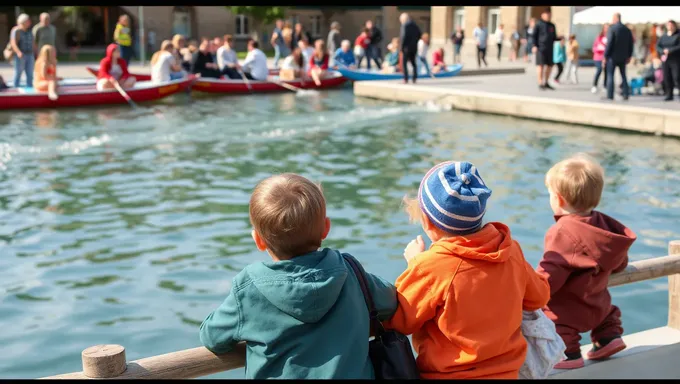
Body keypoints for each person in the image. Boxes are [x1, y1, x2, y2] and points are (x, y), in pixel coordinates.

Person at [199, 173, 398, 379]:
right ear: (326, 228)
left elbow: (212, 337)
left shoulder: (249, 289)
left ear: (259, 241)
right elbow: (390, 301)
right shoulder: (351, 272)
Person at [383, 161, 550, 379]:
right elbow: (539, 297)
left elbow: (398, 321)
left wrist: (416, 264)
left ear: (427, 222)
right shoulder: (510, 252)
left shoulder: (431, 267)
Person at [537, 154, 636, 370]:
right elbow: (619, 263)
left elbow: (551, 273)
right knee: (606, 313)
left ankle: (569, 353)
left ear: (559, 199)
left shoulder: (562, 231)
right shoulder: (605, 226)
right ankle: (608, 338)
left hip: (569, 310)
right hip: (598, 305)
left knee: (550, 319)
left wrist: (532, 285)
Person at [604, 12, 634, 101]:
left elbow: (609, 43)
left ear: (616, 19)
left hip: (612, 57)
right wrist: (629, 55)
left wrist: (605, 55)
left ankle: (610, 95)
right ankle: (625, 94)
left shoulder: (612, 29)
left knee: (610, 76)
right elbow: (631, 44)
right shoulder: (627, 30)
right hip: (623, 57)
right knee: (623, 76)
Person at [533, 8, 558, 90]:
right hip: (541, 48)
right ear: (543, 15)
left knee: (550, 66)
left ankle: (546, 82)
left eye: (550, 14)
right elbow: (534, 36)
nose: (548, 16)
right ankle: (540, 83)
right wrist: (534, 45)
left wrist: (560, 38)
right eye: (547, 14)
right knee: (541, 66)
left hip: (550, 48)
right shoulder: (539, 24)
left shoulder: (552, 25)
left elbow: (554, 37)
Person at [657, 19, 680, 101]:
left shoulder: (678, 35)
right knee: (667, 77)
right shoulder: (664, 36)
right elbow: (658, 46)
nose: (670, 27)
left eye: (671, 25)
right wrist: (662, 51)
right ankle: (669, 94)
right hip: (665, 60)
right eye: (668, 25)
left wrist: (670, 50)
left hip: (676, 59)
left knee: (676, 77)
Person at [9, 14, 34, 88]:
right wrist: (18, 52)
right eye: (28, 21)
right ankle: (15, 88)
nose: (29, 22)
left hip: (30, 54)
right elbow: (13, 43)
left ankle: (29, 87)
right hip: (20, 55)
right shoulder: (16, 30)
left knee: (30, 73)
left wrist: (36, 52)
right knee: (18, 72)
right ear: (23, 22)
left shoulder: (30, 31)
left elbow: (33, 42)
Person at [399, 13, 422, 84]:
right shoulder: (415, 25)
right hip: (414, 47)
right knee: (413, 63)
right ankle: (414, 78)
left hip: (406, 47)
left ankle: (406, 79)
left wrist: (401, 47)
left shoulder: (405, 25)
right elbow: (419, 34)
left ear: (403, 19)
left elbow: (403, 37)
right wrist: (415, 42)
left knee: (404, 63)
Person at [591, 24, 609, 94]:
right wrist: (598, 49)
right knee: (599, 70)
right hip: (598, 57)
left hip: (606, 57)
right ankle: (594, 85)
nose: (606, 29)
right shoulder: (599, 37)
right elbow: (594, 47)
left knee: (606, 72)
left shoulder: (610, 36)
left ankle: (605, 86)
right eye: (605, 28)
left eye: (608, 28)